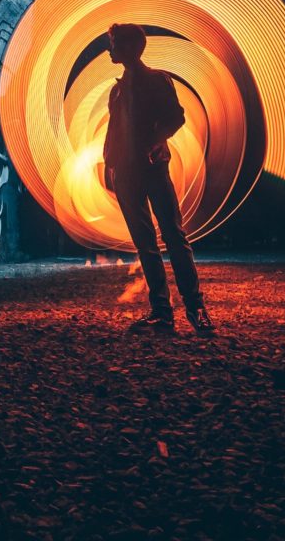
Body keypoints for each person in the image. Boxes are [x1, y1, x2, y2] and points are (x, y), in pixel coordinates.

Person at [103, 22, 215, 335]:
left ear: (126, 48)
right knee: (148, 242)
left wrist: (154, 142)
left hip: (151, 168)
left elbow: (176, 117)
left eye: (113, 43)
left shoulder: (155, 80)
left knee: (172, 238)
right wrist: (109, 164)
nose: (109, 49)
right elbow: (114, 131)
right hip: (128, 171)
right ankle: (167, 312)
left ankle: (191, 309)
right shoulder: (119, 88)